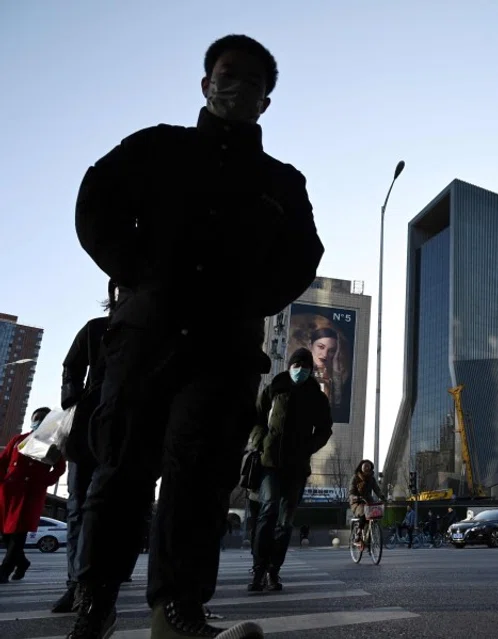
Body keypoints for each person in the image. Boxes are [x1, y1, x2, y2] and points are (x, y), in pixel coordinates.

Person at [69, 33, 324, 639]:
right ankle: (94, 601)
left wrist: (249, 302)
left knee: (197, 478)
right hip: (144, 337)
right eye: (227, 74)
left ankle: (176, 610)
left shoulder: (282, 183)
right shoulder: (157, 148)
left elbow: (303, 256)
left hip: (223, 350)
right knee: (122, 469)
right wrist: (136, 273)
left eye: (253, 83)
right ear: (206, 83)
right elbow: (94, 200)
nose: (237, 87)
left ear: (265, 103)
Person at [51, 281, 116, 612]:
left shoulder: (150, 332)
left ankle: (98, 583)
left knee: (111, 508)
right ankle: (75, 584)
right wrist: (73, 396)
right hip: (86, 425)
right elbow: (71, 365)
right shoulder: (95, 329)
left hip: (124, 428)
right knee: (77, 508)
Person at [248, 348, 332, 592]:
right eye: (297, 365)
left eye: (306, 367)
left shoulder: (317, 397)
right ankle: (258, 569)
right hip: (269, 462)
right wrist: (259, 440)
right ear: (289, 366)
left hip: (296, 467)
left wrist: (308, 447)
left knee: (285, 522)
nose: (301, 370)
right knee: (268, 509)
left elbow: (325, 429)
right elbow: (257, 417)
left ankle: (274, 571)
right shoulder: (275, 388)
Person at [0, 408, 66, 583]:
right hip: (9, 492)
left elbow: (60, 468)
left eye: (41, 419)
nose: (37, 421)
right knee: (5, 534)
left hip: (30, 495)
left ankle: (4, 571)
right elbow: (3, 461)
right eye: (35, 418)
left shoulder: (53, 444)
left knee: (18, 535)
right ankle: (22, 563)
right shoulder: (18, 440)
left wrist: (45, 481)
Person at [348, 460, 384, 545]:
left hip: (368, 502)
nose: (367, 468)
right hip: (357, 503)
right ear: (361, 467)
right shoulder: (355, 478)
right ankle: (358, 534)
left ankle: (369, 538)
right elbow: (351, 492)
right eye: (365, 466)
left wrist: (382, 497)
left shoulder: (372, 479)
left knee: (375, 514)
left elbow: (376, 489)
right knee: (364, 513)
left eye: (369, 466)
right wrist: (355, 497)